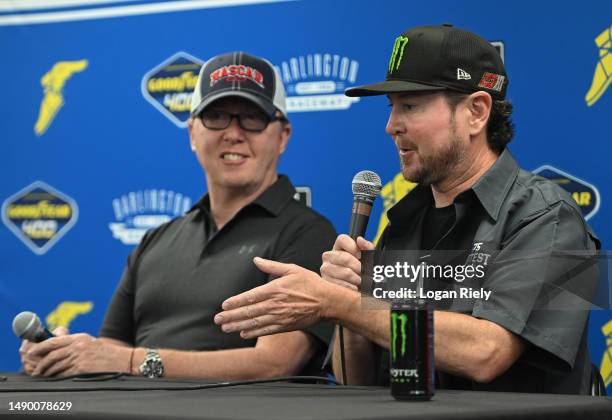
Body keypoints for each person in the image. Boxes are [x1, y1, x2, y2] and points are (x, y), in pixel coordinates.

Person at [214, 25, 601, 394]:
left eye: (411, 105)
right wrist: (350, 303)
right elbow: (358, 384)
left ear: (476, 112)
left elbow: (488, 351)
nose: (391, 126)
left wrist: (342, 304)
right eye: (392, 107)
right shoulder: (403, 222)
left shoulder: (546, 216)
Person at [20, 51, 336, 379]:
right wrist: (64, 358)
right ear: (192, 134)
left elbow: (274, 364)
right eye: (216, 116)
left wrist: (132, 362)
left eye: (252, 118)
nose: (233, 133)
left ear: (283, 136)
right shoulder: (157, 239)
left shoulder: (310, 235)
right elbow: (110, 352)